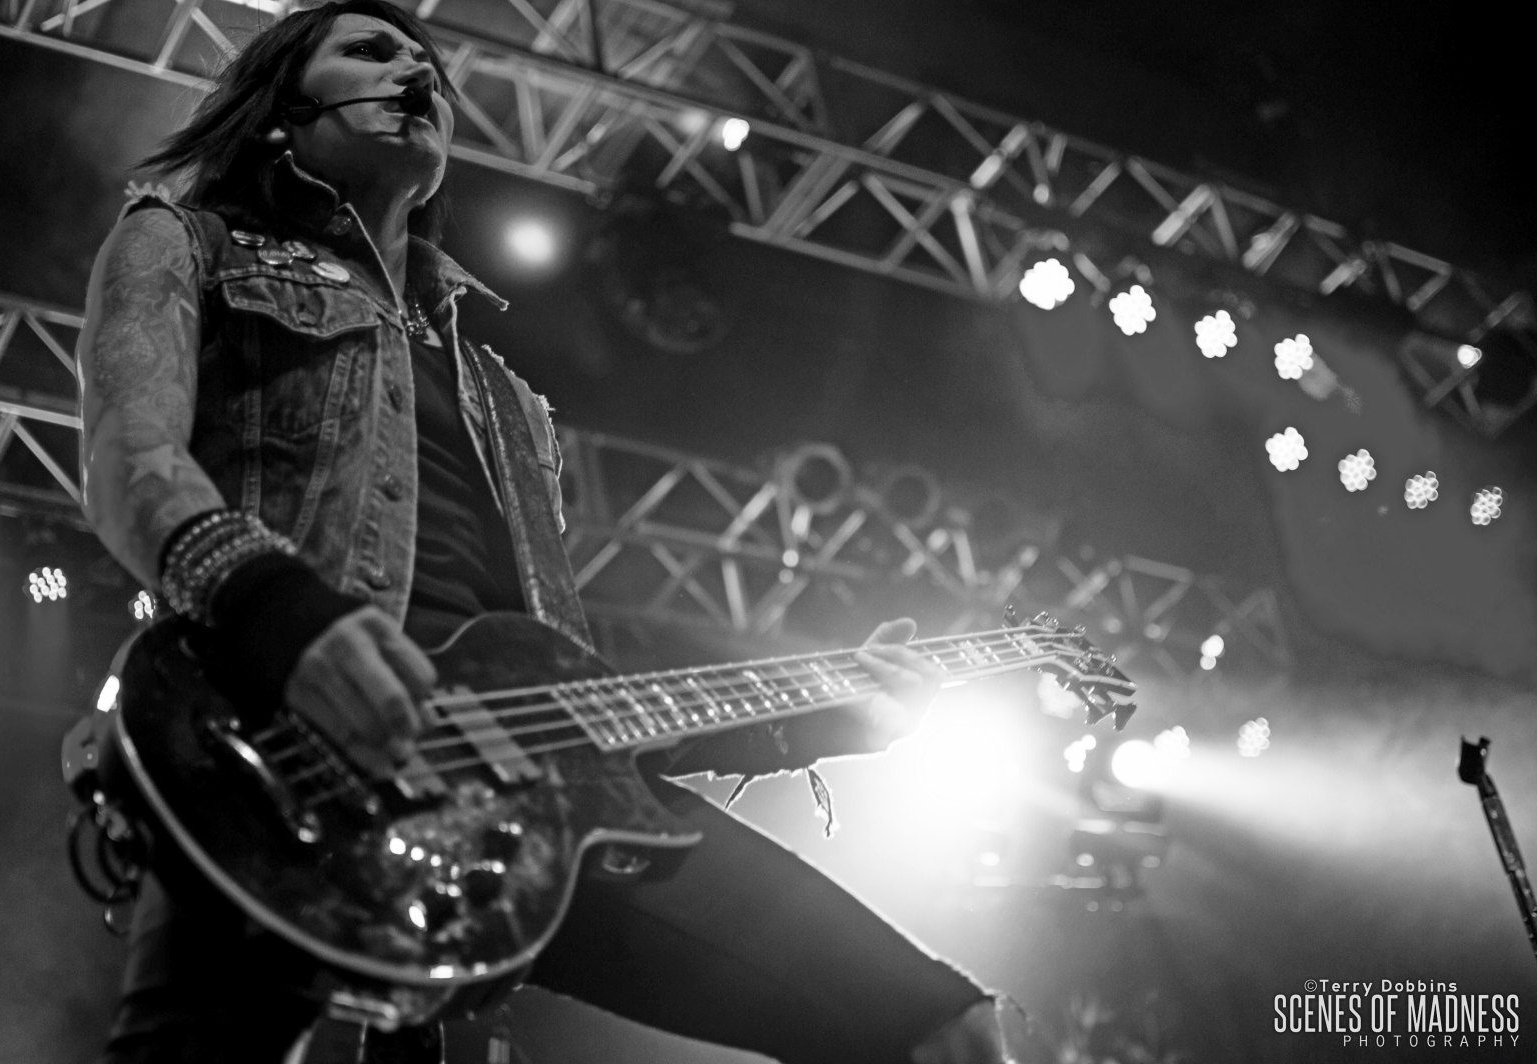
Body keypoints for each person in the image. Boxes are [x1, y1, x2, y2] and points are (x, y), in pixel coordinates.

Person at [76, 2, 1008, 1061]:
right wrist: (286, 622)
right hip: (275, 752)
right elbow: (129, 461)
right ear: (283, 108)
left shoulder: (508, 398)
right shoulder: (181, 241)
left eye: (428, 63)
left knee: (945, 1027)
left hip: (521, 801)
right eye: (372, 51)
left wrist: (816, 717)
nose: (416, 73)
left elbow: (570, 687)